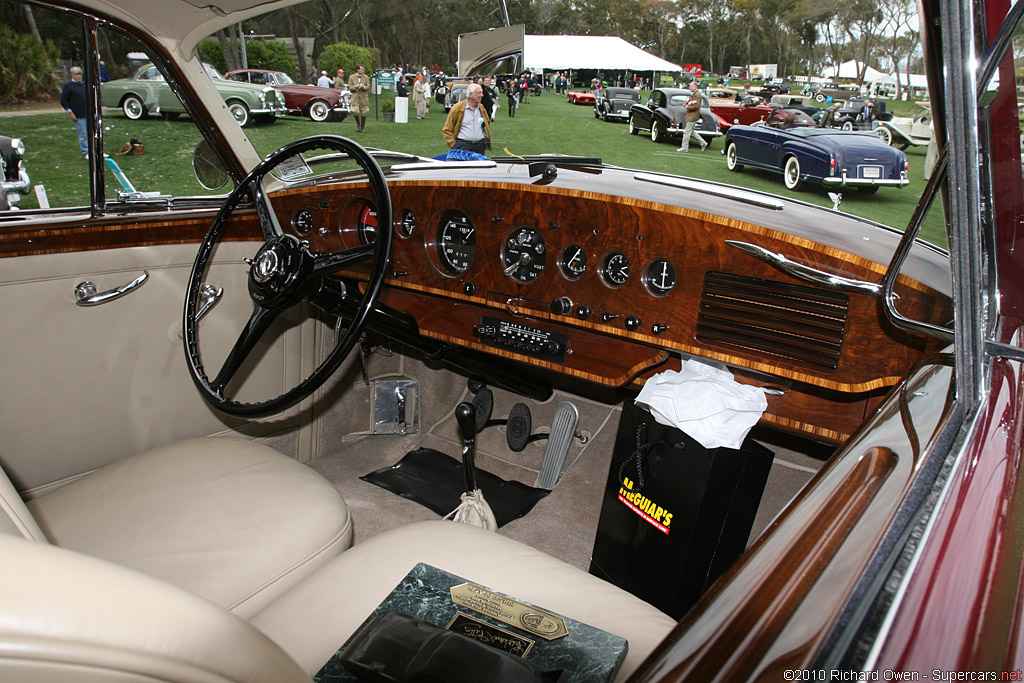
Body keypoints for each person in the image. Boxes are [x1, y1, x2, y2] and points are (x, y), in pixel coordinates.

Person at [442, 83, 491, 154]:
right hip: (462, 146)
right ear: (471, 94)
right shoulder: (457, 108)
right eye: (479, 93)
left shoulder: (481, 108)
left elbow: (486, 124)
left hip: (479, 147)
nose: (482, 95)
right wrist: (453, 145)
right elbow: (447, 130)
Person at [60, 66, 89, 157]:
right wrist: (70, 112)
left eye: (80, 74)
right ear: (72, 75)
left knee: (93, 133)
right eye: (76, 74)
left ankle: (95, 151)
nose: (79, 76)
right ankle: (86, 152)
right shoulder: (68, 86)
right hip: (78, 115)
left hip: (88, 113)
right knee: (83, 134)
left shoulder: (85, 84)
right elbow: (64, 100)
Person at [348, 64, 370, 132]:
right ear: (358, 70)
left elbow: (368, 86)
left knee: (364, 113)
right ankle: (358, 125)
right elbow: (350, 87)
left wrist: (363, 87)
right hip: (355, 97)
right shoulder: (351, 77)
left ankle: (363, 127)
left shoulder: (366, 77)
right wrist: (356, 86)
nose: (363, 70)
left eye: (363, 69)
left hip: (363, 97)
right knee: (355, 112)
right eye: (361, 69)